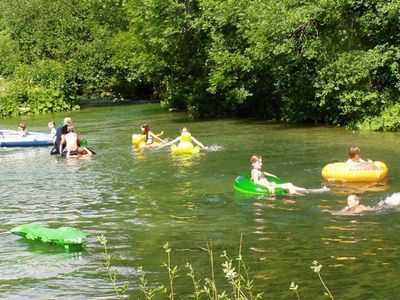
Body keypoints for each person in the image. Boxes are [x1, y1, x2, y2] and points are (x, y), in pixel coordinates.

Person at [250, 154, 329, 195]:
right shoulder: (254, 171)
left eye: (261, 162)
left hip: (271, 184)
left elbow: (264, 173)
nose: (261, 163)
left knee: (294, 186)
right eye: (259, 162)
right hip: (270, 186)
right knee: (289, 184)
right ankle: (293, 195)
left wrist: (273, 176)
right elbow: (256, 182)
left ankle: (313, 190)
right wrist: (268, 186)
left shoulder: (258, 171)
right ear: (253, 163)